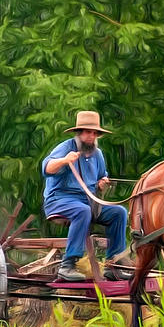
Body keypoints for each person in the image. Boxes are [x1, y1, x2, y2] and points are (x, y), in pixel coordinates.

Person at [42, 111, 131, 281]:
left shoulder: (97, 154)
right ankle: (68, 265)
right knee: (83, 211)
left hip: (89, 202)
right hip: (59, 200)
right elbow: (46, 168)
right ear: (79, 132)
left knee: (119, 212)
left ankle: (113, 265)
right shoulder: (66, 148)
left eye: (95, 133)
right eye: (88, 132)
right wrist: (64, 160)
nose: (92, 136)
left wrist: (101, 184)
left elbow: (100, 179)